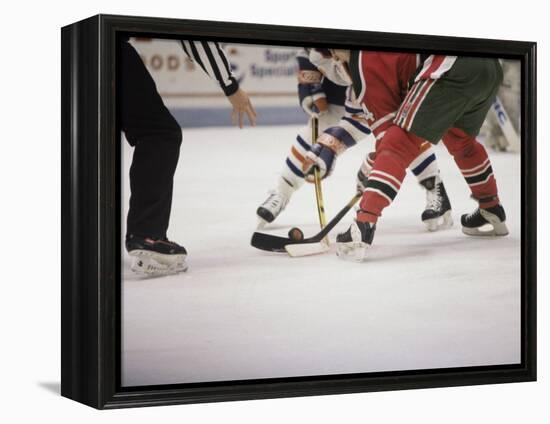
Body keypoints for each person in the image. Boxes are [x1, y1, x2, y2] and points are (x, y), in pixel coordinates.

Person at [302, 50, 507, 261]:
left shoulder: (363, 63)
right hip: (488, 66)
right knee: (462, 142)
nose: (335, 61)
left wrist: (373, 170)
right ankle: (491, 209)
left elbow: (391, 142)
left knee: (398, 144)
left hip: (450, 66)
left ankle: (363, 225)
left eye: (333, 56)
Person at [258, 49, 452, 231]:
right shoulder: (347, 67)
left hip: (391, 75)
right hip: (351, 83)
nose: (334, 61)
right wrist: (308, 77)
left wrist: (372, 165)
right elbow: (356, 119)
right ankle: (282, 191)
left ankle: (433, 184)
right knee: (316, 134)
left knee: (404, 128)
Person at [121, 39, 256, 275]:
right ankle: (148, 237)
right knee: (160, 133)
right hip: (104, 46)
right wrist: (231, 87)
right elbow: (196, 39)